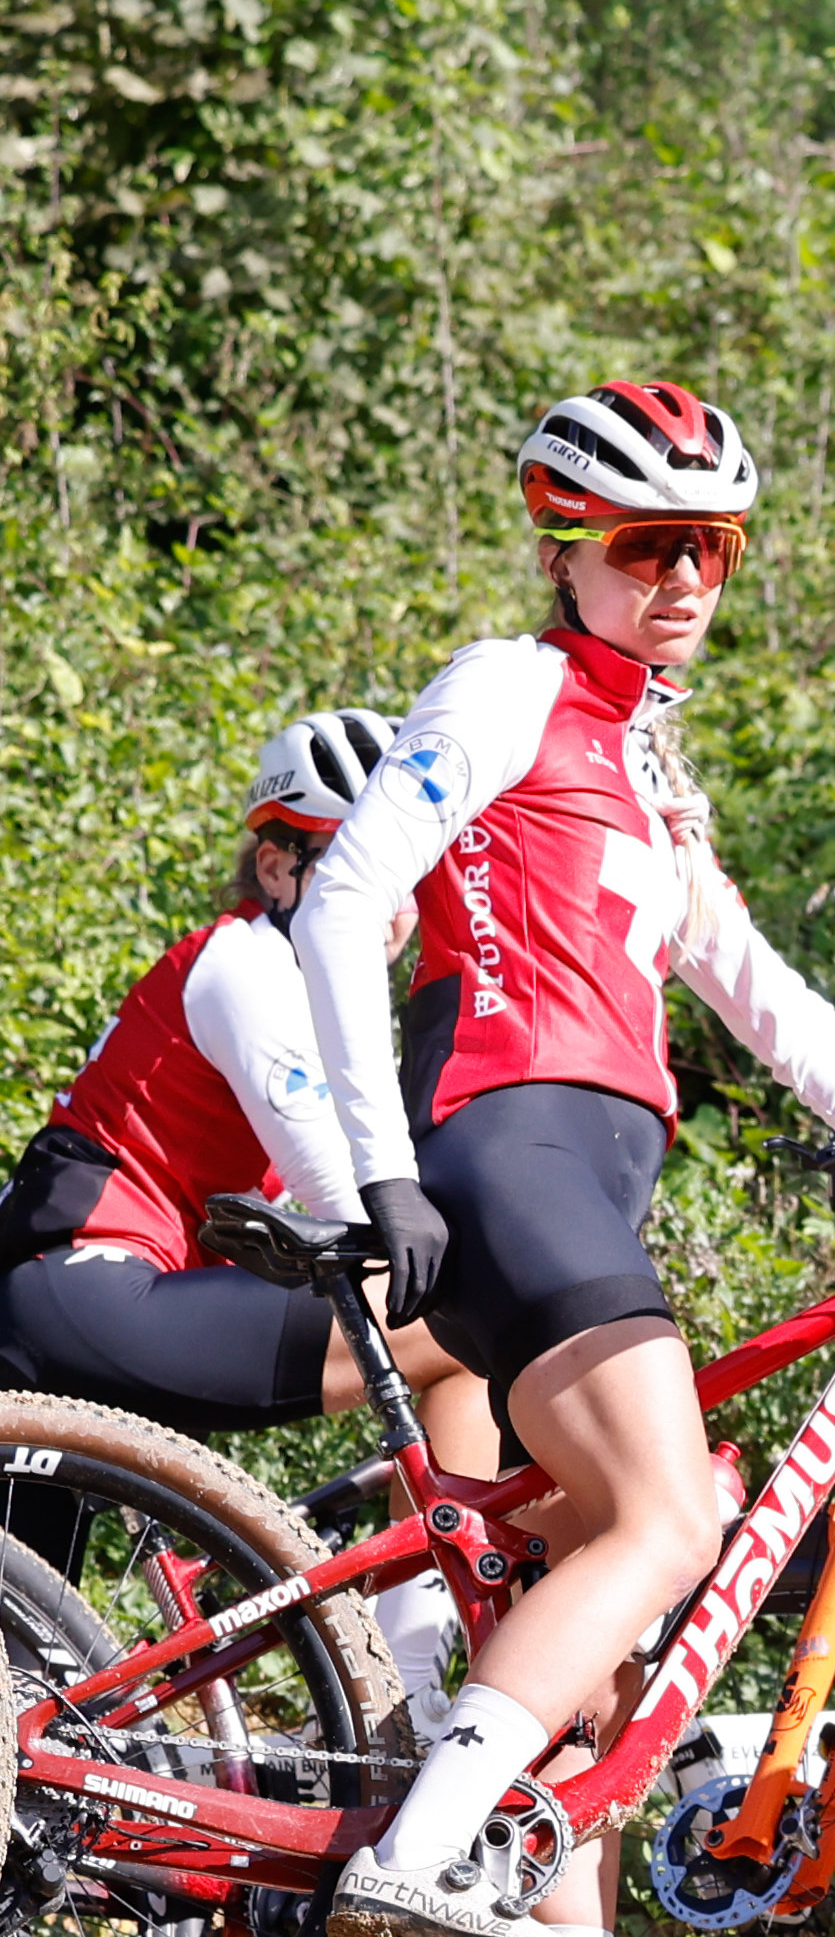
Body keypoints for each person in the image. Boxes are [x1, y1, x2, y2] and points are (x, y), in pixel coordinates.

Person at [292, 378, 835, 1937]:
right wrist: (377, 1173)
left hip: (591, 1157)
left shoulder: (652, 757)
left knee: (602, 1618)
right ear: (567, 544)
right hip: (501, 1136)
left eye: (713, 548)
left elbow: (751, 985)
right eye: (650, 546)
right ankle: (421, 1859)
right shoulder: (507, 689)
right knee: (681, 1508)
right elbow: (344, 910)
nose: (684, 581)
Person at [0, 708, 497, 1700]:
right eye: (357, 865)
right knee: (465, 1317)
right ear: (276, 869)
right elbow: (347, 1199)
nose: (390, 906)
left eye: (407, 873)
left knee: (41, 1698)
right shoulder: (246, 967)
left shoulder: (303, 990)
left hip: (80, 1307)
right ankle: (420, 1686)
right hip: (81, 1291)